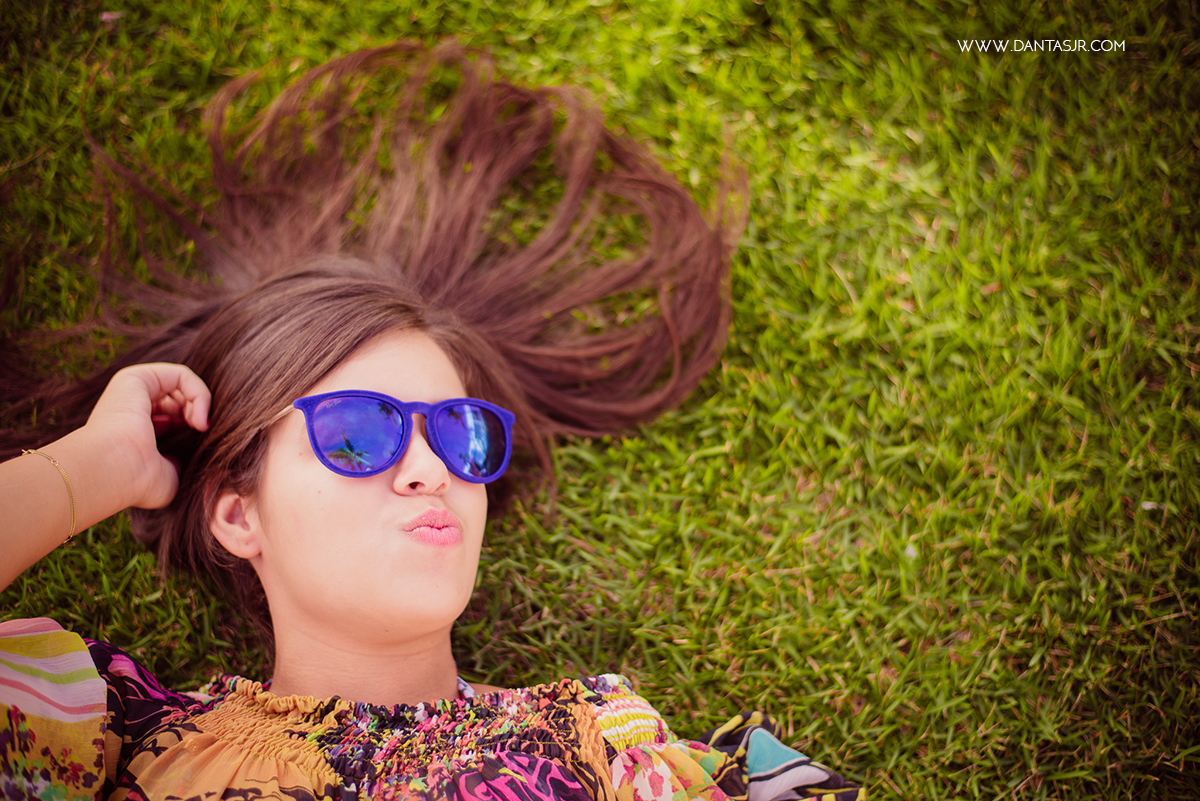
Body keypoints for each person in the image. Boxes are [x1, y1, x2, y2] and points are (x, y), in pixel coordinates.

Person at [0, 41, 863, 799]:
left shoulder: (610, 751)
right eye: (356, 433)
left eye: (460, 432)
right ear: (238, 511)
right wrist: (87, 471)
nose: (429, 468)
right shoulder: (120, 742)